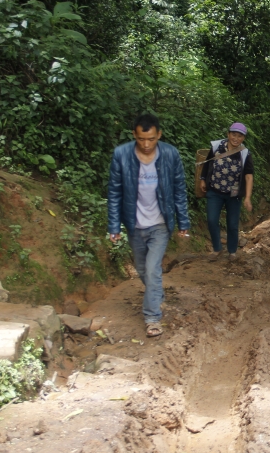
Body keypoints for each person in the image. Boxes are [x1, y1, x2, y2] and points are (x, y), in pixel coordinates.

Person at [108, 113, 190, 337]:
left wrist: (183, 221)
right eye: (141, 139)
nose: (146, 144)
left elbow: (179, 190)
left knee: (153, 269)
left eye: (151, 139)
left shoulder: (170, 154)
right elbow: (115, 192)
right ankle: (157, 295)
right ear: (134, 135)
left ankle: (152, 318)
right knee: (143, 270)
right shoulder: (122, 155)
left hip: (160, 223)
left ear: (159, 135)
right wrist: (114, 225)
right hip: (134, 224)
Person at [199, 122, 254, 261]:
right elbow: (207, 163)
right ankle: (217, 248)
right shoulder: (217, 146)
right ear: (228, 134)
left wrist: (247, 197)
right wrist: (202, 179)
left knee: (233, 224)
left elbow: (249, 176)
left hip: (233, 194)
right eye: (233, 135)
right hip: (214, 191)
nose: (236, 138)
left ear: (243, 138)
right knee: (212, 220)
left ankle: (232, 251)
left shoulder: (245, 153)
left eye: (240, 136)